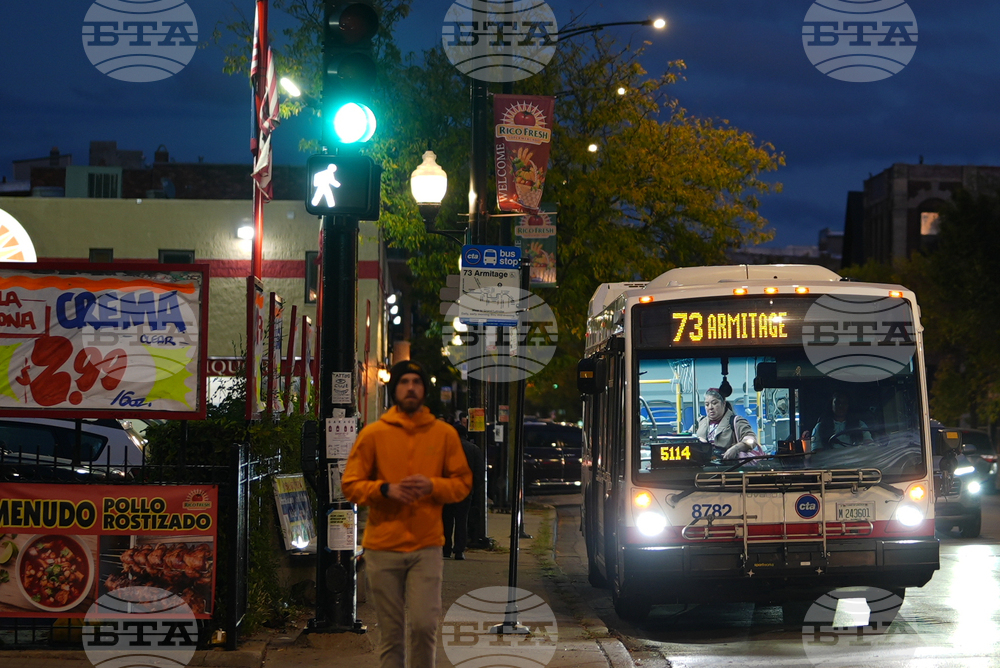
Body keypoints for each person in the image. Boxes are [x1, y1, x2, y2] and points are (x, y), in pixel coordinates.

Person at [342, 360, 472, 668]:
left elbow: (462, 483)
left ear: (424, 389)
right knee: (392, 633)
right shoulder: (374, 434)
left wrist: (432, 485)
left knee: (425, 626)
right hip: (382, 547)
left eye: (416, 381)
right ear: (394, 390)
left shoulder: (443, 435)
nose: (410, 387)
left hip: (426, 546)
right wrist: (384, 490)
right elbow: (351, 485)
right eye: (403, 382)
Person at [442, 420, 484, 560]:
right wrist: (472, 487)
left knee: (446, 521)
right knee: (461, 521)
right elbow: (478, 472)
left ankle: (446, 549)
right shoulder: (474, 449)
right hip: (464, 491)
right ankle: (459, 550)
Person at [696, 388, 763, 460]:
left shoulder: (736, 421)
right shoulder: (700, 422)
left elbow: (751, 440)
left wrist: (736, 448)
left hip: (729, 466)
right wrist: (698, 440)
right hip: (703, 468)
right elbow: (687, 438)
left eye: (714, 403)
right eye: (707, 404)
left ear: (723, 403)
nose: (710, 407)